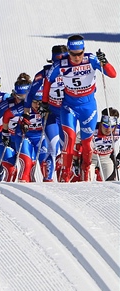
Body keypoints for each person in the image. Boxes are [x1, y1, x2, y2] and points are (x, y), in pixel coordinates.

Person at [43, 34, 117, 182]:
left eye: (80, 54)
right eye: (73, 54)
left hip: (88, 108)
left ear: (84, 50)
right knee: (69, 138)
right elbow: (48, 81)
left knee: (86, 143)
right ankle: (66, 173)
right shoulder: (61, 64)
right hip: (69, 106)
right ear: (68, 52)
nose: (77, 58)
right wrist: (45, 102)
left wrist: (105, 62)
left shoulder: (91, 60)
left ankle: (85, 166)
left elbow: (112, 74)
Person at [23, 45, 68, 181]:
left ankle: (65, 176)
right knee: (53, 147)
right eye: (56, 62)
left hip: (67, 114)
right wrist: (26, 115)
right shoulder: (43, 74)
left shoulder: (72, 70)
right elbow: (29, 95)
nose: (59, 65)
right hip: (51, 115)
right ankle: (48, 179)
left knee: (66, 148)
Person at [0, 73, 32, 182]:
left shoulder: (34, 104)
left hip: (24, 140)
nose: (23, 100)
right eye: (20, 97)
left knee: (28, 168)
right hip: (7, 140)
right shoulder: (7, 104)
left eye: (25, 97)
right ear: (14, 94)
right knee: (10, 171)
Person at [91, 108, 119, 181]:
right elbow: (76, 139)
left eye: (112, 126)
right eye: (106, 125)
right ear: (101, 123)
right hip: (91, 158)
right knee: (87, 179)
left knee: (110, 181)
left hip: (106, 158)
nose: (108, 130)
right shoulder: (92, 128)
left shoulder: (118, 130)